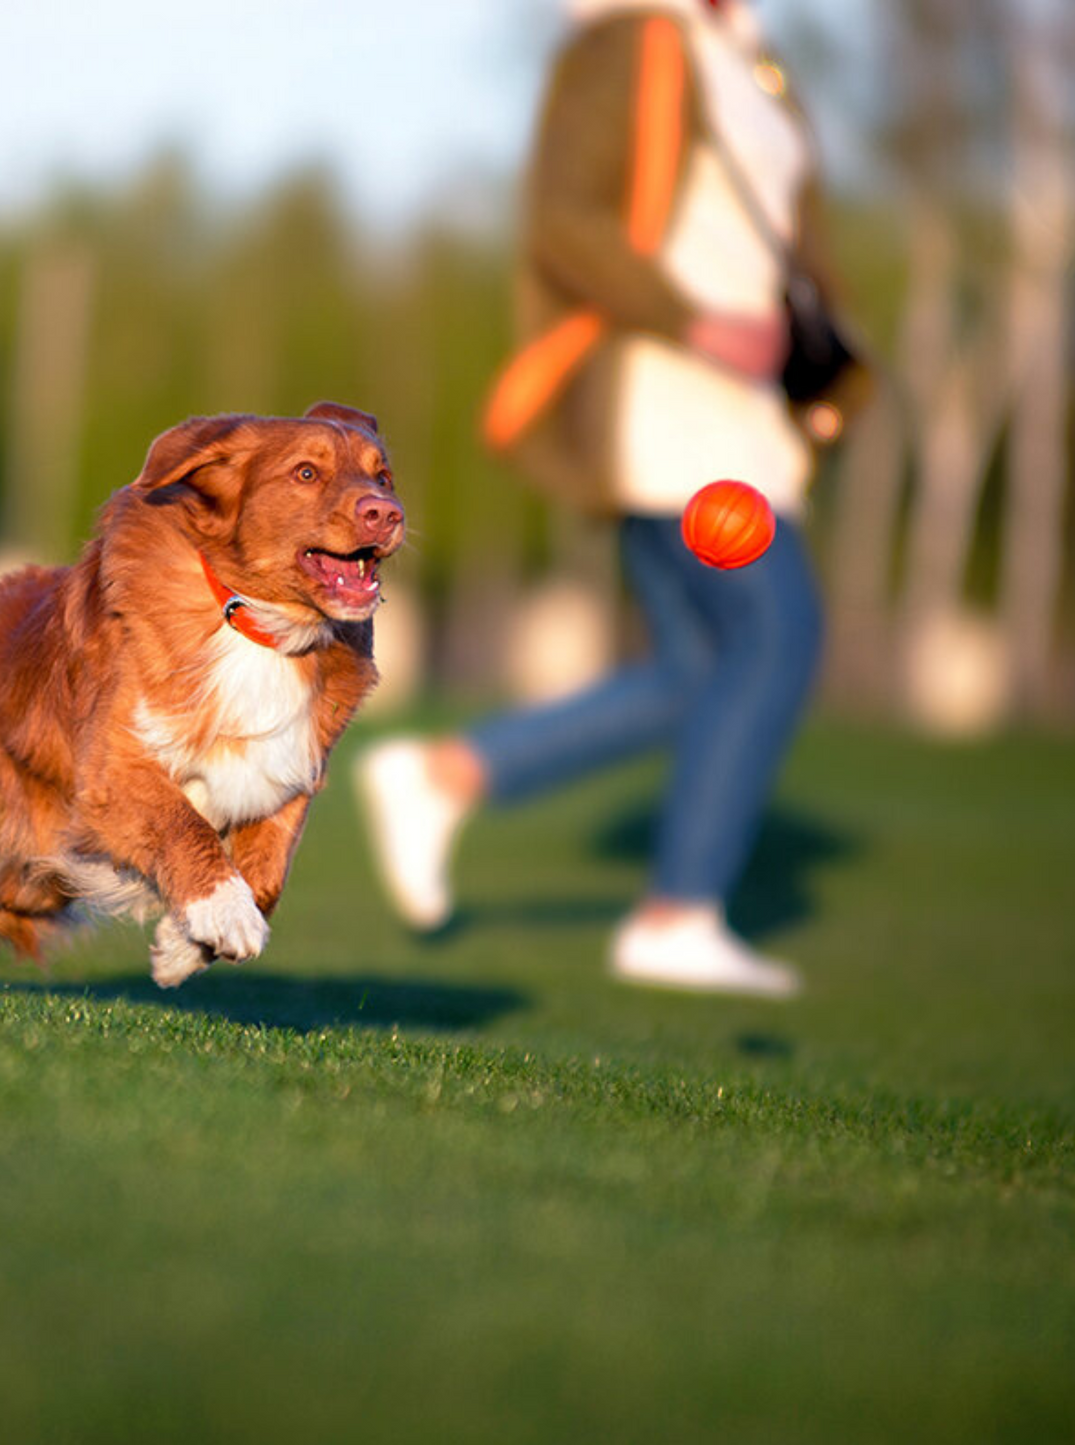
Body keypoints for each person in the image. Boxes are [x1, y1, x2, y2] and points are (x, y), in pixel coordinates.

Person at [357, 0, 857, 999]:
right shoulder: (626, 41)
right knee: (774, 630)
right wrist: (696, 321)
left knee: (692, 667)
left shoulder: (749, 56)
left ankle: (443, 775)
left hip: (744, 411)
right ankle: (675, 913)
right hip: (672, 397)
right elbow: (566, 221)